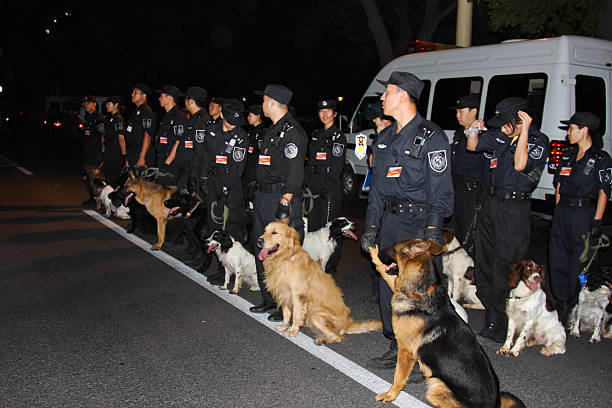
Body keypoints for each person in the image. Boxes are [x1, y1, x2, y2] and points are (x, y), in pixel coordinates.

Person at [360, 72, 453, 369]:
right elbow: (376, 190)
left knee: (419, 295)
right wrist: (372, 227)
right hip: (390, 223)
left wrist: (433, 234)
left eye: (387, 92)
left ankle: (427, 354)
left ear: (403, 95)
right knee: (390, 287)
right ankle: (397, 344)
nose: (382, 98)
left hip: (418, 226)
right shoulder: (385, 138)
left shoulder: (431, 137)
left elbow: (441, 191)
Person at [466, 97, 549, 343]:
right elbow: (473, 146)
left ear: (520, 120)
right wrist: (473, 128)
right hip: (491, 204)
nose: (501, 127)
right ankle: (493, 318)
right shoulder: (501, 134)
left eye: (506, 123)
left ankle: (506, 323)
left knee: (507, 266)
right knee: (484, 263)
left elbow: (521, 164)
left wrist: (522, 132)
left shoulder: (537, 141)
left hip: (514, 209)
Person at [248, 84, 307, 322]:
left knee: (285, 254)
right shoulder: (273, 130)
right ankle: (270, 299)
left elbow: (295, 172)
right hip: (265, 197)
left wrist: (285, 204)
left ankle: (288, 306)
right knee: (262, 248)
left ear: (272, 102)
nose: (261, 105)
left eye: (263, 101)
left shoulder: (292, 131)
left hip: (280, 197)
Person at [548, 112, 612, 325]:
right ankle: (562, 301)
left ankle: (572, 304)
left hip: (584, 214)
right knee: (557, 259)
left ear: (584, 129)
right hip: (563, 213)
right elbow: (558, 186)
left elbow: (604, 191)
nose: (567, 134)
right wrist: (558, 212)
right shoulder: (567, 155)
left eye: (571, 128)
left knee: (578, 264)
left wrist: (596, 222)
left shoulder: (601, 159)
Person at [304, 98, 347, 275]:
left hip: (329, 189)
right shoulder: (315, 135)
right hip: (313, 187)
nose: (325, 114)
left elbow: (336, 168)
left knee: (329, 228)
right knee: (314, 228)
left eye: (329, 111)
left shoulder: (338, 137)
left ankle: (330, 266)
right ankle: (315, 261)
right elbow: (310, 163)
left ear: (335, 114)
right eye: (322, 111)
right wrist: (305, 185)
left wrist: (326, 188)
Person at [449, 95, 488, 257]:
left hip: (472, 195)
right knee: (453, 236)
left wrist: (482, 201)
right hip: (456, 193)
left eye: (461, 111)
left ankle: (470, 278)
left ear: (474, 111)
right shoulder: (459, 134)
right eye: (456, 111)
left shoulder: (483, 135)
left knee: (469, 239)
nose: (457, 115)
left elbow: (487, 171)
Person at [206, 98, 249, 242]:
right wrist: (203, 177)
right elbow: (205, 155)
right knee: (213, 220)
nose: (233, 125)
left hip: (231, 183)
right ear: (222, 115)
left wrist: (226, 187)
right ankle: (216, 258)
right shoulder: (211, 129)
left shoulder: (241, 137)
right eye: (230, 120)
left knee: (232, 222)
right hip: (213, 181)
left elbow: (238, 168)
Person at [154, 85, 188, 186]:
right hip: (162, 159)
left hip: (170, 163)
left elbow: (178, 142)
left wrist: (166, 163)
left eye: (162, 96)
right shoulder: (166, 116)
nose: (159, 98)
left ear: (170, 98)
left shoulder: (178, 117)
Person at [186, 87, 212, 200]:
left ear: (191, 101)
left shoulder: (202, 120)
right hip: (189, 168)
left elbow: (202, 151)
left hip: (195, 171)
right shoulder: (193, 119)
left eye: (186, 99)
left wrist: (197, 175)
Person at [80, 95, 105, 206]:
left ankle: (96, 198)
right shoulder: (87, 117)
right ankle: (92, 196)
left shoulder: (98, 118)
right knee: (86, 175)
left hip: (95, 151)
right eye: (85, 103)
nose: (86, 105)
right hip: (88, 150)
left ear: (94, 104)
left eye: (89, 103)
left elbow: (103, 135)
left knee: (94, 176)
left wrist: (103, 151)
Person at [124, 83, 157, 170]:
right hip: (133, 152)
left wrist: (142, 158)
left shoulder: (147, 112)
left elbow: (148, 135)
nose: (132, 94)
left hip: (141, 153)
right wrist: (128, 157)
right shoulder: (135, 112)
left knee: (140, 182)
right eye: (132, 92)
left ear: (144, 95)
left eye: (135, 92)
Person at [243, 104, 266, 209]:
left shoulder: (263, 134)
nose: (248, 117)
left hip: (255, 175)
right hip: (247, 173)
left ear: (257, 116)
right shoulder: (250, 132)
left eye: (250, 115)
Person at [102, 95, 126, 187]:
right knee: (108, 177)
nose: (106, 106)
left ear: (116, 105)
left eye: (108, 104)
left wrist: (124, 155)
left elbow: (121, 138)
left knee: (114, 178)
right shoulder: (110, 118)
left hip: (115, 152)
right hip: (109, 151)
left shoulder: (118, 119)